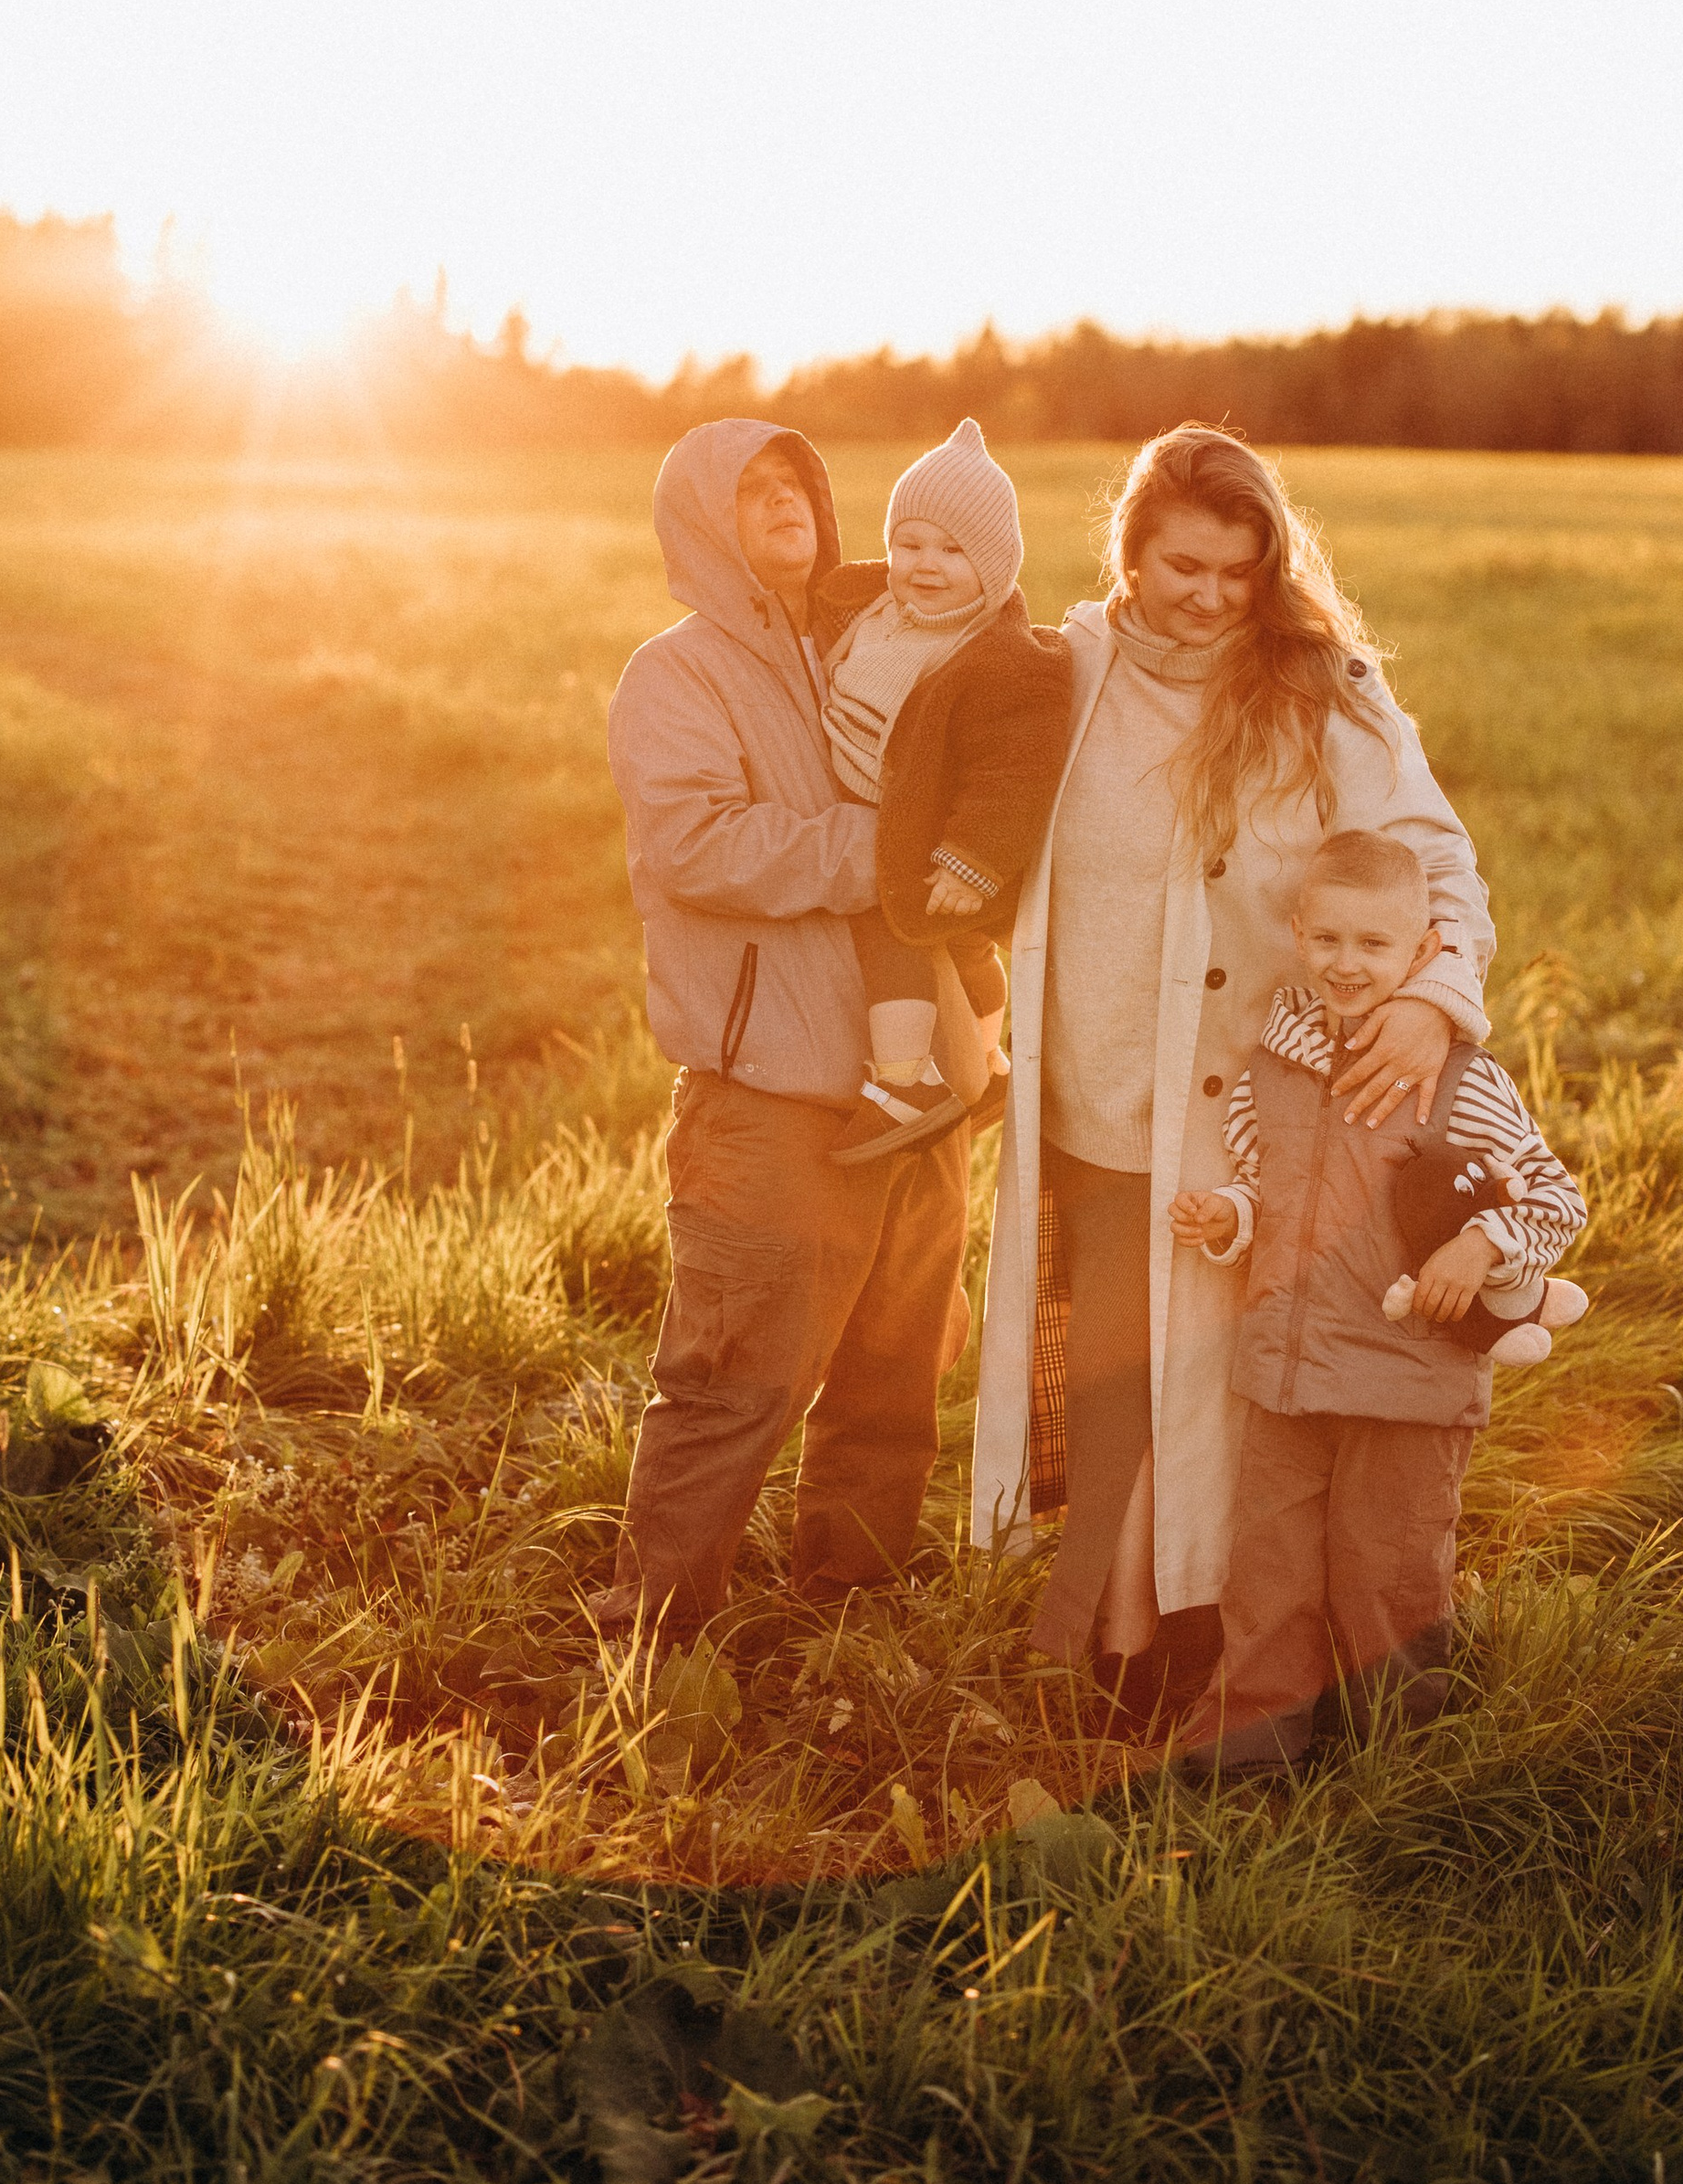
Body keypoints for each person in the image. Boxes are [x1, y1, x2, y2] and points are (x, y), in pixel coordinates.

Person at [969, 423, 1500, 1723]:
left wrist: (1436, 996)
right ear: (1130, 554)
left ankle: (1232, 1643)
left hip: (1255, 1100)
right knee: (1111, 1381)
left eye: (1237, 573)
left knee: (1223, 1381)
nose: (1209, 597)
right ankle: (1117, 1634)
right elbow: (909, 651)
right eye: (1182, 566)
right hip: (1089, 1094)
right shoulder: (1066, 670)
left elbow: (1438, 861)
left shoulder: (1328, 690)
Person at [599, 419, 976, 1635]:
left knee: (894, 1366)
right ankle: (658, 1629)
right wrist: (888, 855)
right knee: (732, 1375)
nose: (781, 504)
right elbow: (695, 843)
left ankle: (853, 1603)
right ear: (704, 524)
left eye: (796, 484)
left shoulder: (877, 642)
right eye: (749, 492)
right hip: (771, 1084)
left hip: (918, 1081)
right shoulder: (677, 675)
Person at [1168, 829, 1589, 1773]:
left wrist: (1480, 1242)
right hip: (1286, 1374)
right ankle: (1247, 1751)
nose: (1347, 964)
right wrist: (1228, 1218)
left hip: (1409, 1382)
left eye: (1373, 946)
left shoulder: (1462, 1080)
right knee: (1267, 1573)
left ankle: (1397, 1761)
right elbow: (1265, 1184)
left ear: (1423, 954)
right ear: (1297, 933)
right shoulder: (1268, 1071)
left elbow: (1556, 1200)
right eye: (1328, 941)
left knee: (1386, 1577)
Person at [810, 419, 1070, 1164]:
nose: (926, 565)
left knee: (889, 925)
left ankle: (905, 1082)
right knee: (958, 952)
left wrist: (970, 857)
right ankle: (988, 1068)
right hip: (877, 798)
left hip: (925, 827)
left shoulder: (1003, 655)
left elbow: (1015, 769)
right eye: (909, 544)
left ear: (993, 563)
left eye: (953, 551)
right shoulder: (875, 605)